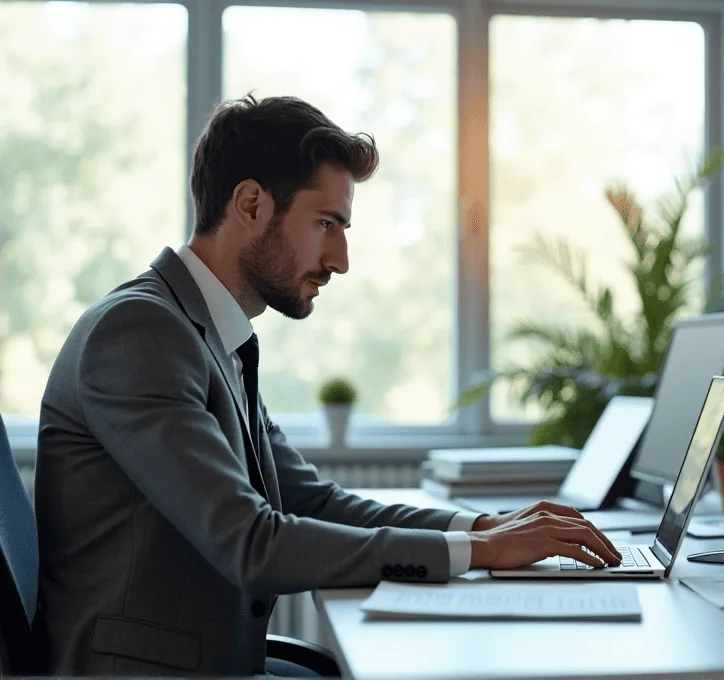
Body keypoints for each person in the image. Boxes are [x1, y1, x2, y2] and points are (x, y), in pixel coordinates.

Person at [33, 94, 622, 677]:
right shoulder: (139, 334)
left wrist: (482, 529)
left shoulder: (205, 334)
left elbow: (310, 501)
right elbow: (251, 543)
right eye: (325, 224)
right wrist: (480, 555)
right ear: (251, 203)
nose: (339, 259)